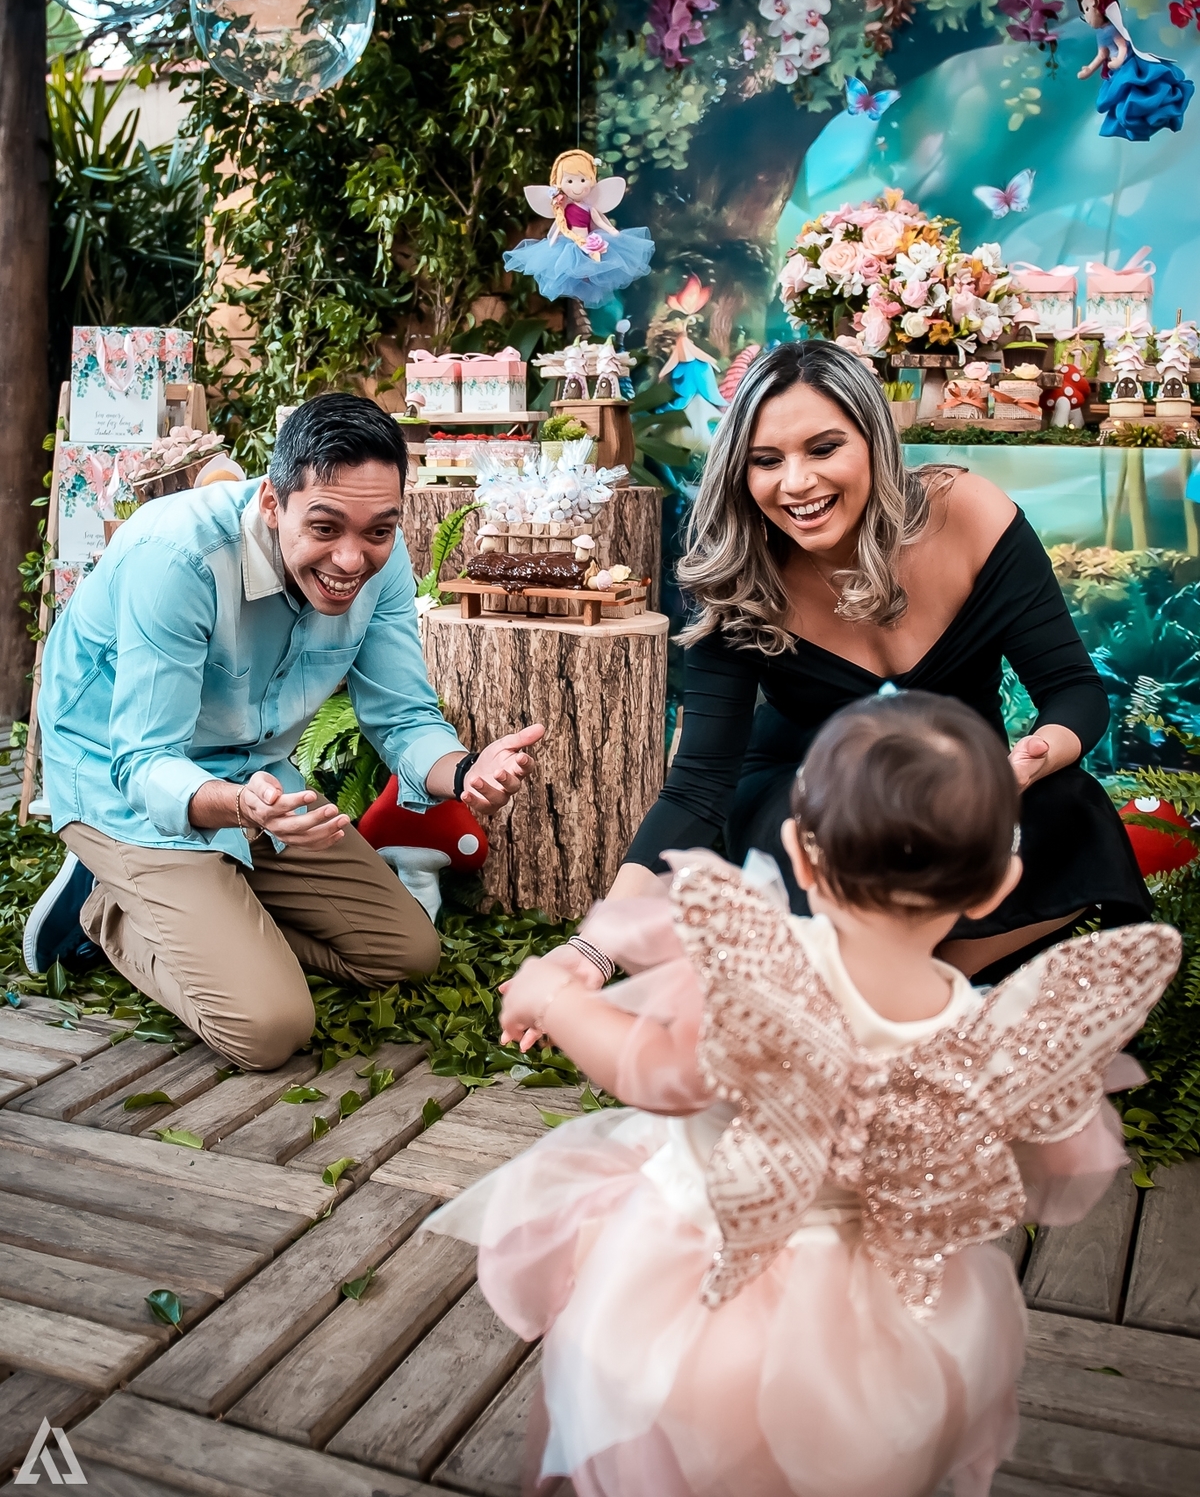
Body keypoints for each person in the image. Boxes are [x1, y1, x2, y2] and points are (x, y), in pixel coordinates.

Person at [427, 693, 1179, 1497]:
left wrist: (557, 999)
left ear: (802, 856)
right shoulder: (980, 1035)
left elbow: (660, 1074)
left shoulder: (764, 981)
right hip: (884, 1316)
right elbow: (1054, 1154)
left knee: (653, 1451)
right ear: (997, 887)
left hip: (707, 1283)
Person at [570, 337, 1149, 1000]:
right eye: (766, 460)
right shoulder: (738, 569)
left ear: (874, 440)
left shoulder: (968, 515)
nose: (796, 483)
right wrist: (595, 947)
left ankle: (909, 994)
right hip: (805, 797)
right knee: (822, 831)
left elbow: (1073, 690)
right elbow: (700, 784)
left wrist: (1026, 762)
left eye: (823, 448)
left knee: (1072, 809)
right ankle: (888, 1000)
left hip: (957, 787)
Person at [25, 394, 542, 1071]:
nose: (353, 559)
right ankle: (107, 904)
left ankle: (211, 910)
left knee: (406, 955)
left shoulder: (380, 559)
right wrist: (240, 807)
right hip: (119, 779)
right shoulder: (176, 558)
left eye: (378, 531)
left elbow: (403, 714)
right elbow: (144, 759)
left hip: (259, 787)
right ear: (272, 502)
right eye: (326, 528)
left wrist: (466, 770)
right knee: (268, 1029)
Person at [1076, 0, 1193, 142]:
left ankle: (1158, 114)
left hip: (1127, 65)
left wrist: (1118, 60)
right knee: (1122, 103)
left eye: (1087, 9)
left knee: (1137, 93)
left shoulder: (1110, 29)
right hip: (1116, 71)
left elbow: (1123, 46)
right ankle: (1144, 121)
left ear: (1099, 5)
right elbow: (1102, 54)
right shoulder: (1100, 33)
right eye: (1084, 11)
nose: (1086, 17)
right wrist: (1089, 69)